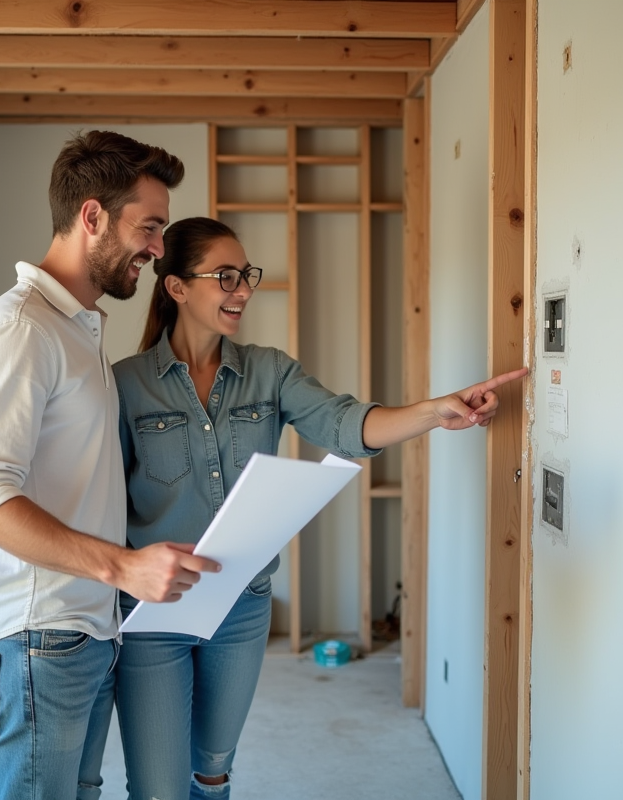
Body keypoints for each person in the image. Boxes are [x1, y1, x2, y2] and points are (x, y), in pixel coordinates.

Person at [112, 217, 528, 800]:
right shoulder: (126, 386)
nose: (243, 290)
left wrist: (436, 411)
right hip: (155, 612)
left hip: (242, 607)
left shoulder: (269, 370)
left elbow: (346, 424)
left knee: (211, 771)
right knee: (158, 787)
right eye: (225, 276)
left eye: (247, 275)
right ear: (177, 287)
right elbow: (104, 504)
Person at [0, 133, 221, 800]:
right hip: (34, 639)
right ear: (93, 216)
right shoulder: (22, 331)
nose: (159, 249)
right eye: (149, 227)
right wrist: (123, 567)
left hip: (82, 632)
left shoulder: (79, 327)